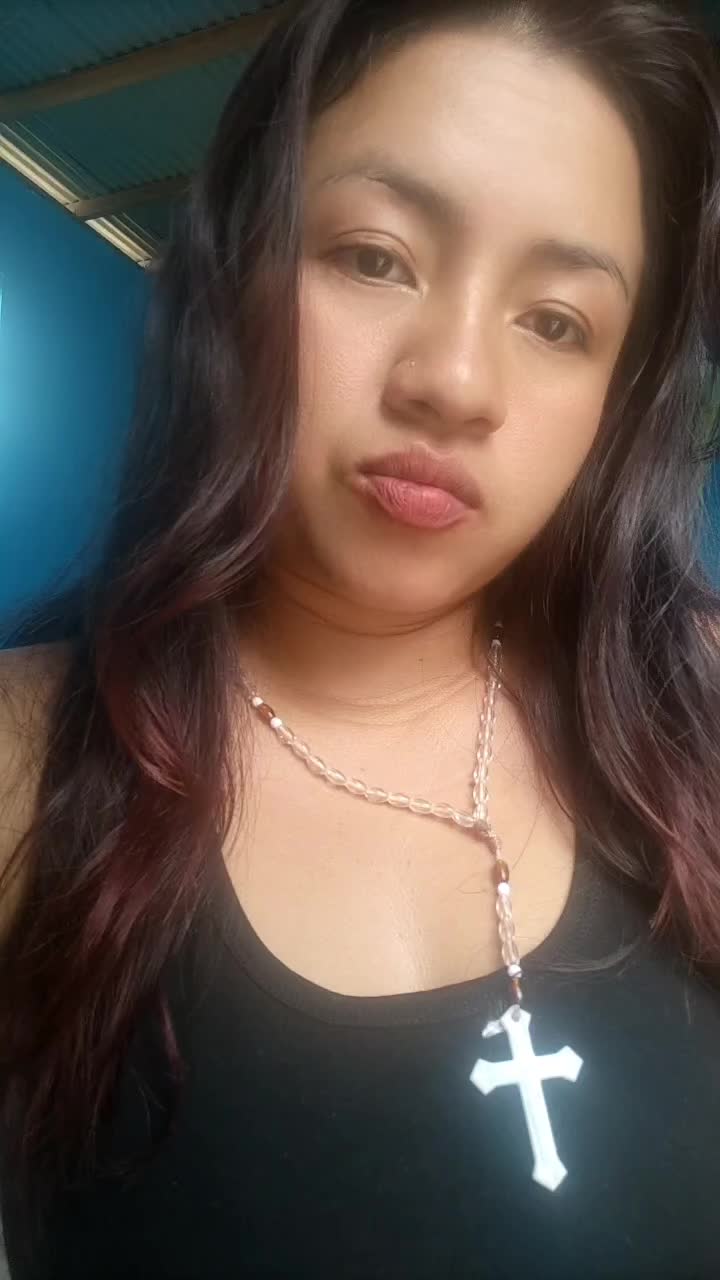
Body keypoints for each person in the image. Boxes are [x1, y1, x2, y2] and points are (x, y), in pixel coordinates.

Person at [1, 0, 720, 1274]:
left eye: (557, 320)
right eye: (376, 256)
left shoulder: (700, 707)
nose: (454, 381)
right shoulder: (23, 763)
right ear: (237, 271)